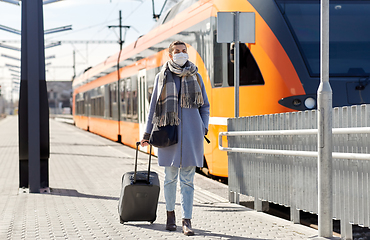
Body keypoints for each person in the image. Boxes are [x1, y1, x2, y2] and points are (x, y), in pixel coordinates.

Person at [140, 40, 210, 236]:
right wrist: (147, 134)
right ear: (170, 55)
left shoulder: (195, 75)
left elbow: (205, 106)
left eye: (184, 51)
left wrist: (203, 127)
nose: (181, 53)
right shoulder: (161, 77)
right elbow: (153, 108)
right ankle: (170, 216)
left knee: (188, 181)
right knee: (170, 179)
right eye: (177, 51)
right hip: (167, 135)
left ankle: (186, 221)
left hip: (192, 135)